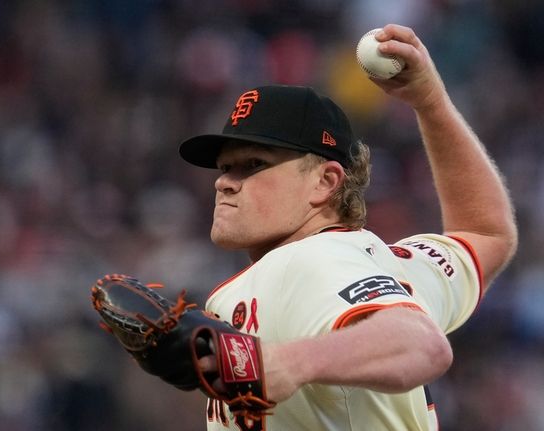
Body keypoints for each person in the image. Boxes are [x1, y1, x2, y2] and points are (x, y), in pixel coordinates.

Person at [177, 24, 517, 430]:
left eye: (253, 165)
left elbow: (422, 345)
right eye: (225, 167)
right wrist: (430, 101)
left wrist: (289, 362)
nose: (224, 182)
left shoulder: (313, 259)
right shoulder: (394, 266)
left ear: (325, 182)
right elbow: (486, 234)